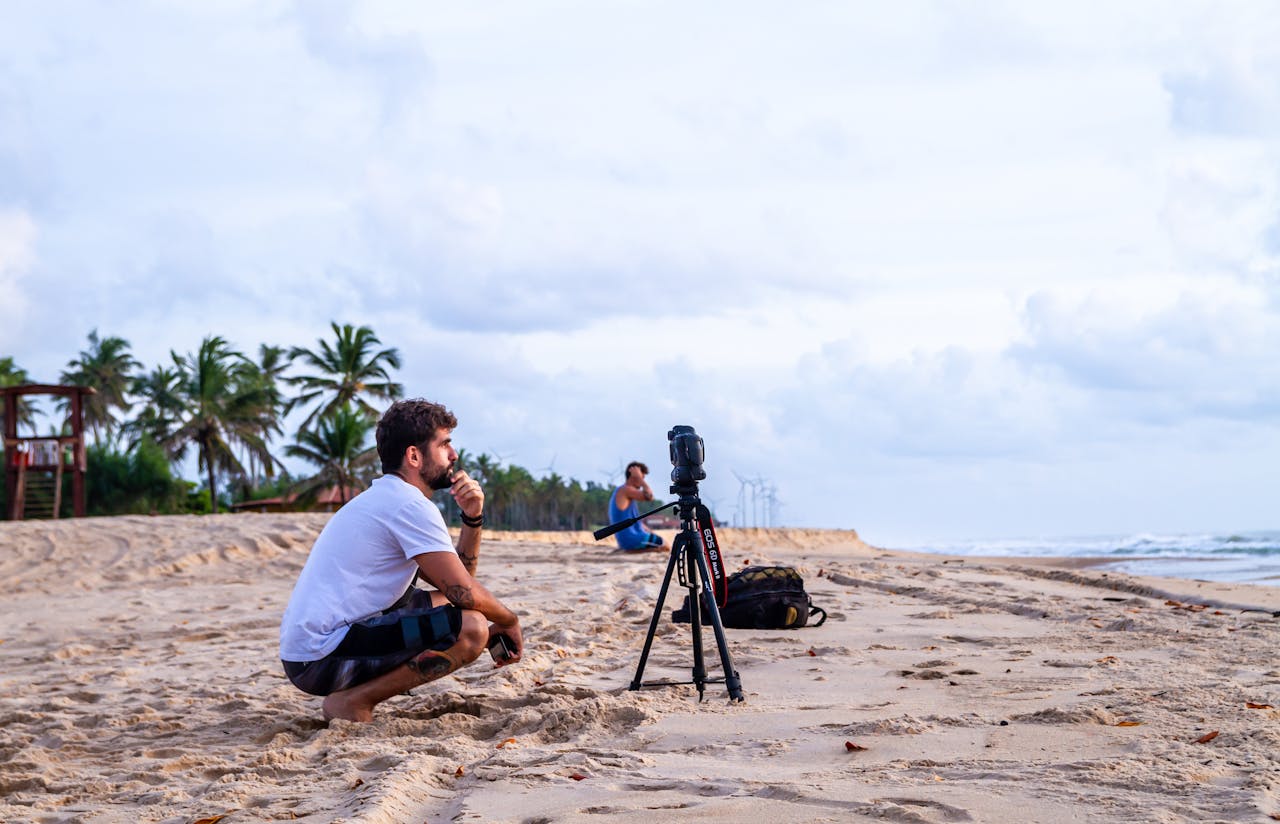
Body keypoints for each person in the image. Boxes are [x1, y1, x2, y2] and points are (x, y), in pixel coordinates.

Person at [279, 398, 523, 722]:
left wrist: (472, 518)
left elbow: (458, 584)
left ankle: (353, 696)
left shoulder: (389, 498)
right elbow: (462, 591)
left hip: (310, 651)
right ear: (414, 456)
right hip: (320, 656)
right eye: (445, 445)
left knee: (457, 611)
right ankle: (353, 701)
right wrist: (509, 620)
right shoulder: (408, 505)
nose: (454, 455)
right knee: (473, 629)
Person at [607, 460, 665, 552]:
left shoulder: (623, 491)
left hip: (626, 540)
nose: (643, 480)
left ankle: (638, 550)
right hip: (632, 539)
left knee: (657, 541)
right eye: (642, 477)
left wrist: (649, 531)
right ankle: (634, 551)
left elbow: (635, 523)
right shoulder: (626, 490)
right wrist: (640, 479)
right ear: (634, 476)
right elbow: (649, 497)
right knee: (666, 545)